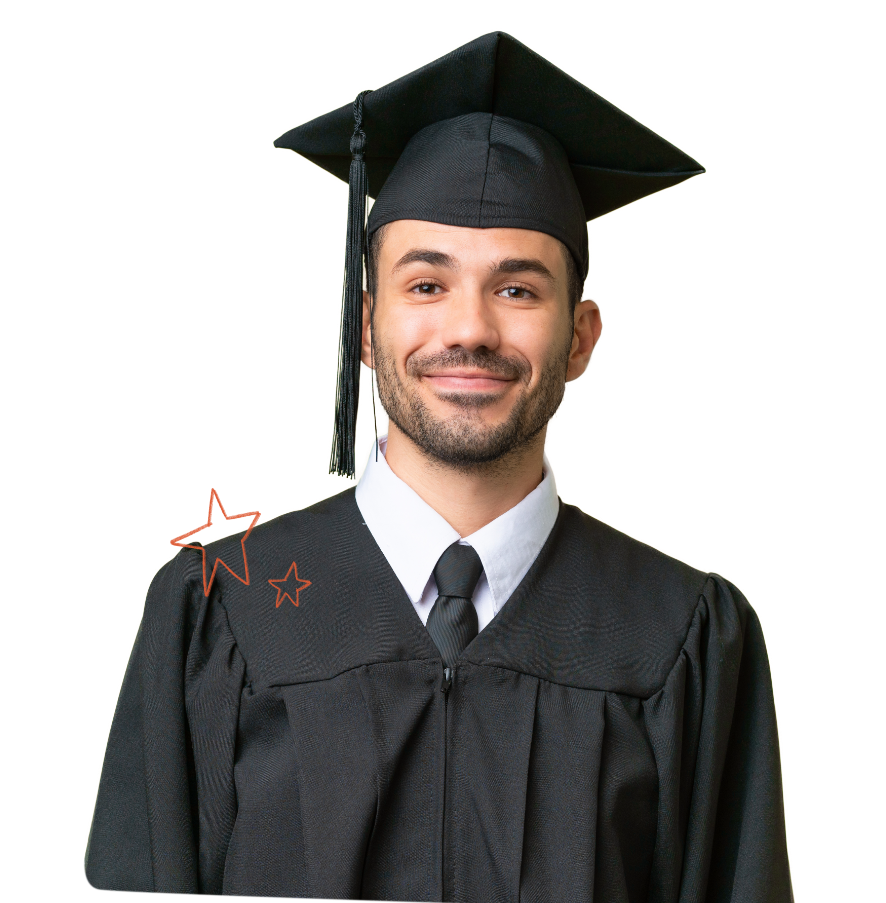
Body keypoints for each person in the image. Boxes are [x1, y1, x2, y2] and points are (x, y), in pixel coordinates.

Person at [83, 30, 794, 901]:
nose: (469, 329)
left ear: (580, 340)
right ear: (365, 330)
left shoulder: (685, 634)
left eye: (518, 287)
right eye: (427, 284)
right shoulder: (220, 611)